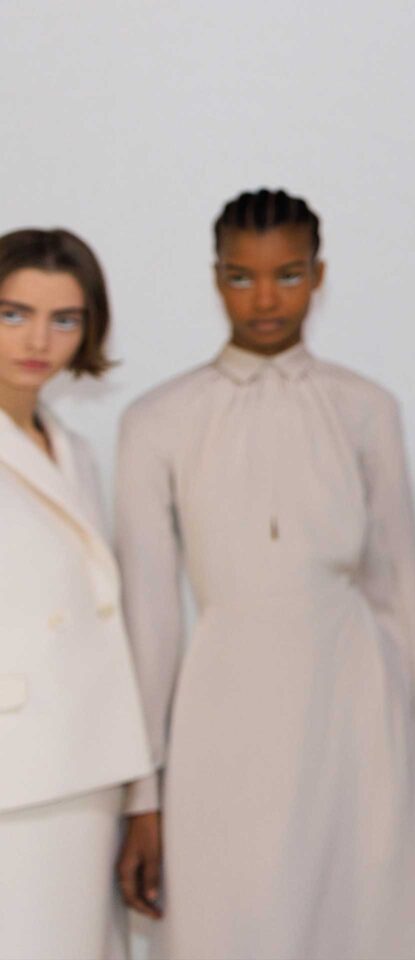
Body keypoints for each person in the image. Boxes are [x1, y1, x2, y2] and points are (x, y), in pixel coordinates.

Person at [113, 189, 415, 959]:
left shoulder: (367, 408)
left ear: (318, 276)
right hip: (221, 710)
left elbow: (399, 584)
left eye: (288, 275)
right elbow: (149, 620)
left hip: (356, 708)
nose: (265, 299)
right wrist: (142, 791)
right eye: (242, 276)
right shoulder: (157, 420)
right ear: (216, 278)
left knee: (365, 918)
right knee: (231, 918)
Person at [0, 228, 152, 960]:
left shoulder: (76, 452)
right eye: (13, 314)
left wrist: (139, 791)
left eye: (64, 319)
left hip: (87, 768)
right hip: (15, 774)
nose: (39, 340)